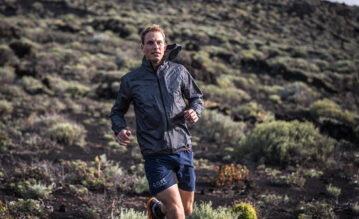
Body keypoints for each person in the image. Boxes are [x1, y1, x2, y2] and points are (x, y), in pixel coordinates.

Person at [110, 24, 204, 219]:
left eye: (159, 42)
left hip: (183, 149)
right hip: (155, 154)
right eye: (150, 43)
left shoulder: (179, 72)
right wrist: (119, 129)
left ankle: (156, 209)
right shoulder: (131, 80)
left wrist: (195, 110)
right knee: (178, 213)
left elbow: (197, 97)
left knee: (187, 209)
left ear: (165, 45)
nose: (156, 47)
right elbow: (117, 111)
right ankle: (162, 208)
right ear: (142, 47)